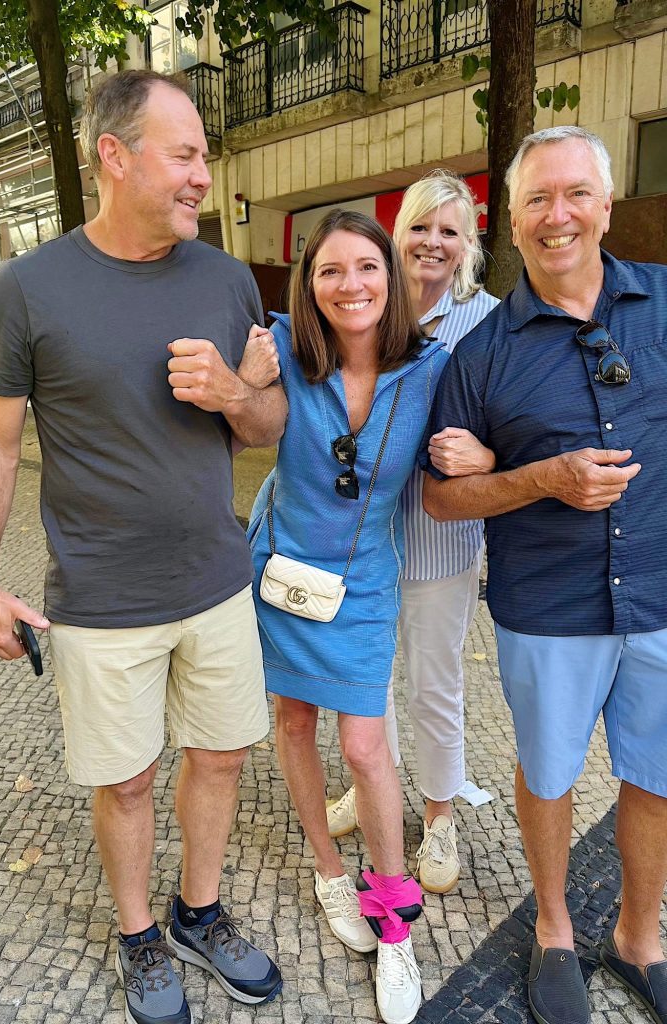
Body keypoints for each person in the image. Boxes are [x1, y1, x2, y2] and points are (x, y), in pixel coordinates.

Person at [0, 70, 288, 1024]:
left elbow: (264, 425)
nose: (201, 176)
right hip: (101, 597)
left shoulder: (226, 278)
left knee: (222, 756)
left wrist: (233, 391)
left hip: (219, 582)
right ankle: (141, 933)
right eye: (184, 155)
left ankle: (201, 912)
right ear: (115, 155)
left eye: (202, 157)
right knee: (129, 776)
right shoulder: (28, 289)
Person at [421, 126, 667, 1024]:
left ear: (605, 205)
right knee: (551, 774)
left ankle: (642, 937)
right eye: (536, 201)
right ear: (513, 225)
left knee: (658, 776)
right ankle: (556, 928)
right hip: (548, 610)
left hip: (663, 593)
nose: (557, 215)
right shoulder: (481, 353)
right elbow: (443, 501)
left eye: (574, 194)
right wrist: (539, 478)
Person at [247, 208, 485, 1024]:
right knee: (292, 720)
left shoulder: (431, 368)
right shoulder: (282, 349)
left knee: (365, 744)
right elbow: (240, 417)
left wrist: (482, 456)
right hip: (278, 568)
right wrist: (241, 379)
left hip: (365, 580)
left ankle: (395, 929)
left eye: (366, 268)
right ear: (308, 287)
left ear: (391, 276)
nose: (350, 285)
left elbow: (464, 450)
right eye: (329, 271)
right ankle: (327, 872)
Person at [326, 171, 498, 896]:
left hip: (438, 540)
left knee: (435, 681)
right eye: (420, 227)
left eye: (449, 231)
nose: (433, 241)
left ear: (468, 247)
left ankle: (439, 812)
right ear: (398, 237)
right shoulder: (368, 305)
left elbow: (518, 424)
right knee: (368, 680)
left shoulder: (490, 322)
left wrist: (492, 459)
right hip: (364, 535)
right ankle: (376, 785)